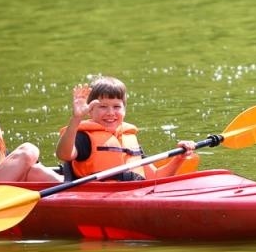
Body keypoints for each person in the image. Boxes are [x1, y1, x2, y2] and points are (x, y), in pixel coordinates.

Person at [53, 75, 197, 182]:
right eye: (103, 107)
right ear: (90, 111)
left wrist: (179, 157)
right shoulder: (84, 138)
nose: (110, 113)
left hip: (133, 194)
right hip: (96, 195)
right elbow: (64, 155)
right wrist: (76, 119)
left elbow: (155, 177)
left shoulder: (129, 138)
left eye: (116, 107)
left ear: (124, 109)